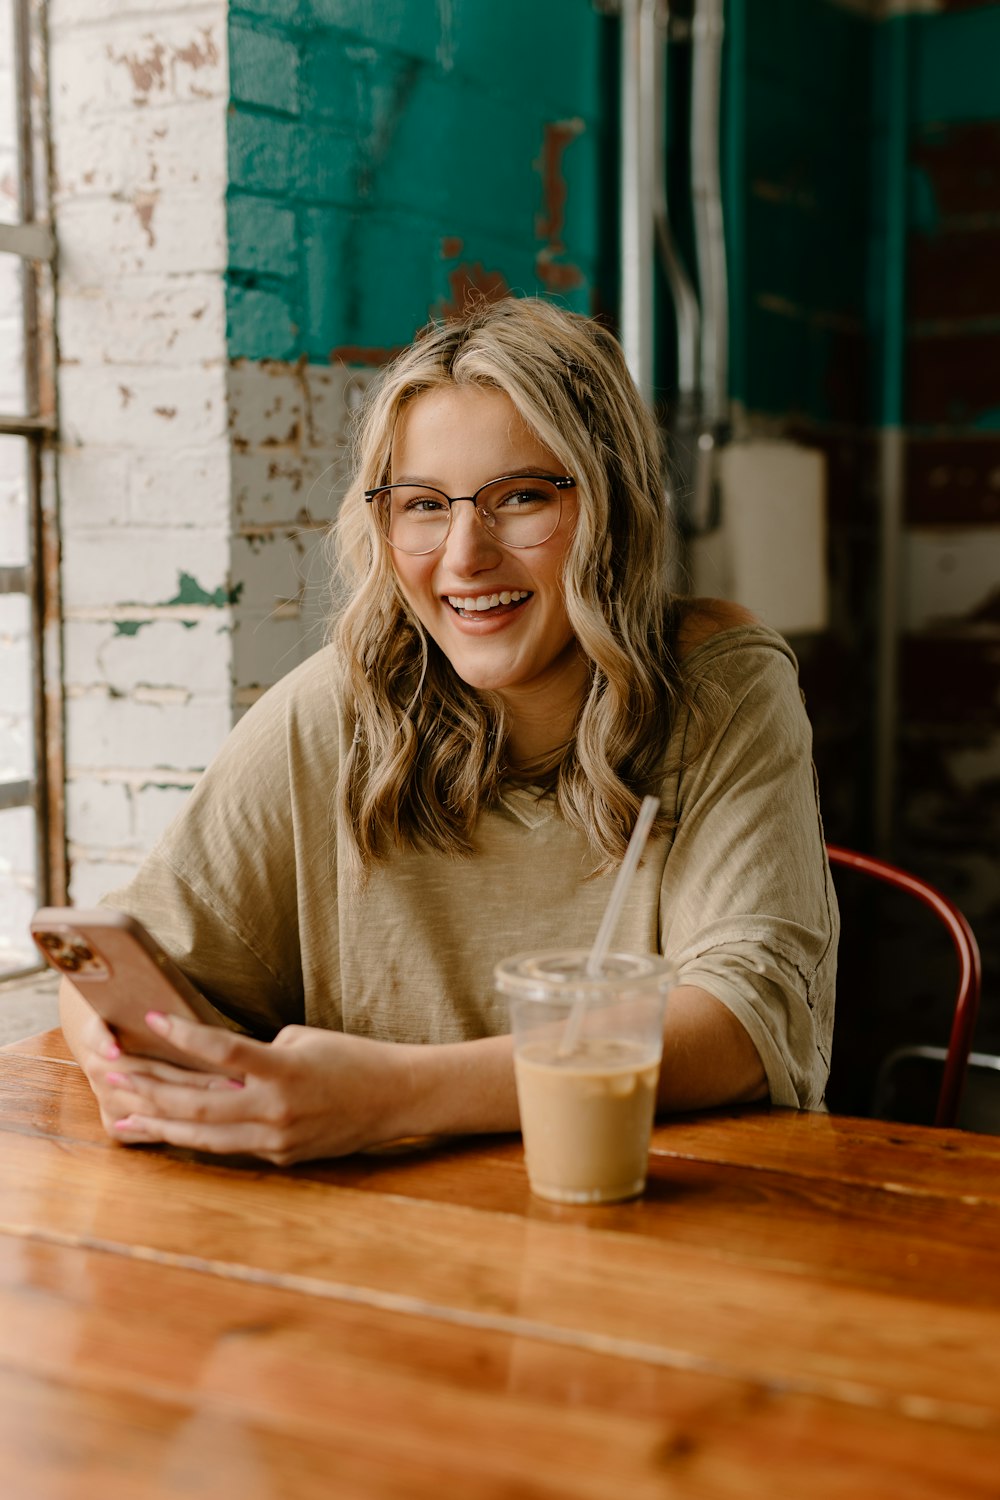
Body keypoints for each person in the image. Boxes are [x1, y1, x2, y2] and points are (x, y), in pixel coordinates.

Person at [59, 295, 838, 1165]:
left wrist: (387, 1097)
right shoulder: (331, 710)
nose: (465, 555)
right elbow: (134, 953)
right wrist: (108, 1037)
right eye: (424, 505)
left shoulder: (721, 690)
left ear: (612, 512)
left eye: (520, 498)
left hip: (666, 1232)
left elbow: (747, 1019)